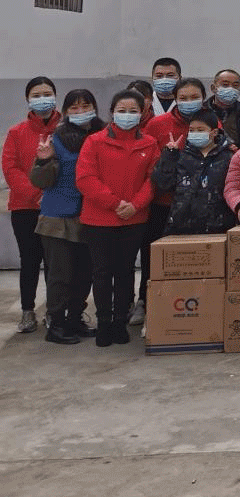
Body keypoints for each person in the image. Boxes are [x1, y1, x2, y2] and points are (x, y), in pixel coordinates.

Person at [76, 89, 158, 347]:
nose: (127, 115)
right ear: (111, 112)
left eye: (133, 111)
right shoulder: (94, 141)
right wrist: (114, 203)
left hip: (133, 219)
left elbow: (153, 180)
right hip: (98, 219)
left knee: (125, 271)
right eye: (121, 111)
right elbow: (85, 178)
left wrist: (135, 205)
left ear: (142, 113)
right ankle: (104, 322)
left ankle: (120, 321)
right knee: (101, 272)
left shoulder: (149, 143)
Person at [28, 89, 103, 344]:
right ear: (65, 112)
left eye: (86, 106)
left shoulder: (103, 136)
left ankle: (75, 318)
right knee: (61, 275)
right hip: (58, 217)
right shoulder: (56, 140)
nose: (80, 112)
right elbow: (41, 181)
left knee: (85, 273)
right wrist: (43, 161)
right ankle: (56, 323)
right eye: (74, 108)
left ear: (95, 107)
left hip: (91, 215)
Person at [140, 77, 210, 324]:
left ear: (203, 98)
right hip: (163, 203)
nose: (189, 102)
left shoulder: (212, 122)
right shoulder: (157, 125)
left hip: (199, 206)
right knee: (154, 258)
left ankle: (197, 307)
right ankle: (146, 302)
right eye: (183, 98)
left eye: (194, 97)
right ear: (175, 99)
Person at [3, 76, 59, 333]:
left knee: (55, 261)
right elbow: (10, 168)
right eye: (36, 95)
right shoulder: (17, 132)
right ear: (27, 99)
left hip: (57, 207)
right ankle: (28, 311)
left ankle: (53, 310)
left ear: (55, 96)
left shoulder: (65, 130)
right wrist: (35, 194)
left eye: (47, 94)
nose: (42, 99)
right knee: (29, 259)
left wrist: (51, 196)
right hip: (25, 208)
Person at [151, 107, 237, 236]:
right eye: (192, 130)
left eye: (200, 130)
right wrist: (169, 155)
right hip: (182, 227)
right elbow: (163, 184)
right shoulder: (182, 157)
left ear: (214, 132)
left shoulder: (228, 157)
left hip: (218, 227)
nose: (195, 133)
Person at [208, 69, 240, 148]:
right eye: (225, 85)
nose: (230, 88)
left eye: (235, 85)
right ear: (213, 88)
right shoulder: (201, 111)